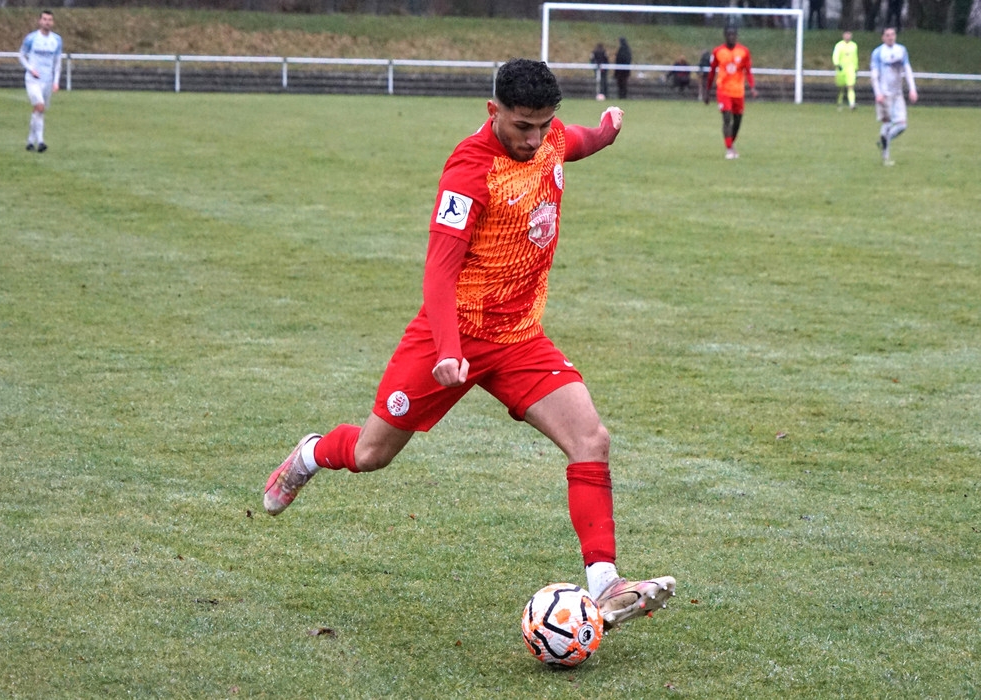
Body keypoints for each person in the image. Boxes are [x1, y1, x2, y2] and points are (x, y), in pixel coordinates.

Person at [263, 58, 676, 630]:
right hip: (451, 335)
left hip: (520, 338)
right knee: (371, 455)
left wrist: (607, 129)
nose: (534, 139)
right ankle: (311, 454)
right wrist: (448, 348)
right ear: (493, 111)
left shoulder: (550, 137)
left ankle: (605, 585)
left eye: (543, 125)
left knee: (591, 439)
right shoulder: (469, 169)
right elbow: (439, 270)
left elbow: (576, 141)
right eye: (522, 126)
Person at [703, 26, 758, 160]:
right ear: (725, 36)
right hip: (723, 90)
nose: (731, 37)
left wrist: (752, 87)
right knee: (727, 118)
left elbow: (748, 71)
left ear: (736, 36)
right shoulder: (718, 51)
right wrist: (707, 90)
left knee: (737, 121)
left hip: (738, 91)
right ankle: (729, 149)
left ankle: (731, 144)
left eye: (733, 35)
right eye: (729, 35)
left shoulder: (744, 51)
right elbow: (712, 72)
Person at [871, 26, 918, 166]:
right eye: (887, 35)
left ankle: (883, 141)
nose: (890, 37)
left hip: (898, 93)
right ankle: (885, 157)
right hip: (884, 93)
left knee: (902, 125)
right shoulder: (878, 52)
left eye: (892, 34)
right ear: (883, 37)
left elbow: (907, 70)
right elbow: (874, 75)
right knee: (887, 122)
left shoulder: (901, 50)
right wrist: (878, 93)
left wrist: (912, 89)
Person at [18, 9, 63, 153]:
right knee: (40, 106)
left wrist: (56, 81)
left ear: (53, 22)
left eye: (49, 20)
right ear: (40, 21)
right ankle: (41, 141)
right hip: (33, 80)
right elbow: (21, 55)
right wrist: (31, 69)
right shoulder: (31, 38)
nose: (47, 22)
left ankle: (30, 142)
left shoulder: (56, 40)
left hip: (47, 80)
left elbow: (57, 62)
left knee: (39, 111)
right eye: (44, 19)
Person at [833, 31, 859, 111]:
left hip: (850, 69)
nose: (848, 36)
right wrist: (837, 64)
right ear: (843, 35)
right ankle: (839, 102)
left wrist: (856, 67)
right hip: (841, 69)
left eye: (849, 34)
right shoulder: (839, 45)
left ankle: (852, 103)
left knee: (850, 86)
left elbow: (855, 57)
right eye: (846, 34)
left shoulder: (854, 45)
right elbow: (835, 55)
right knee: (841, 87)